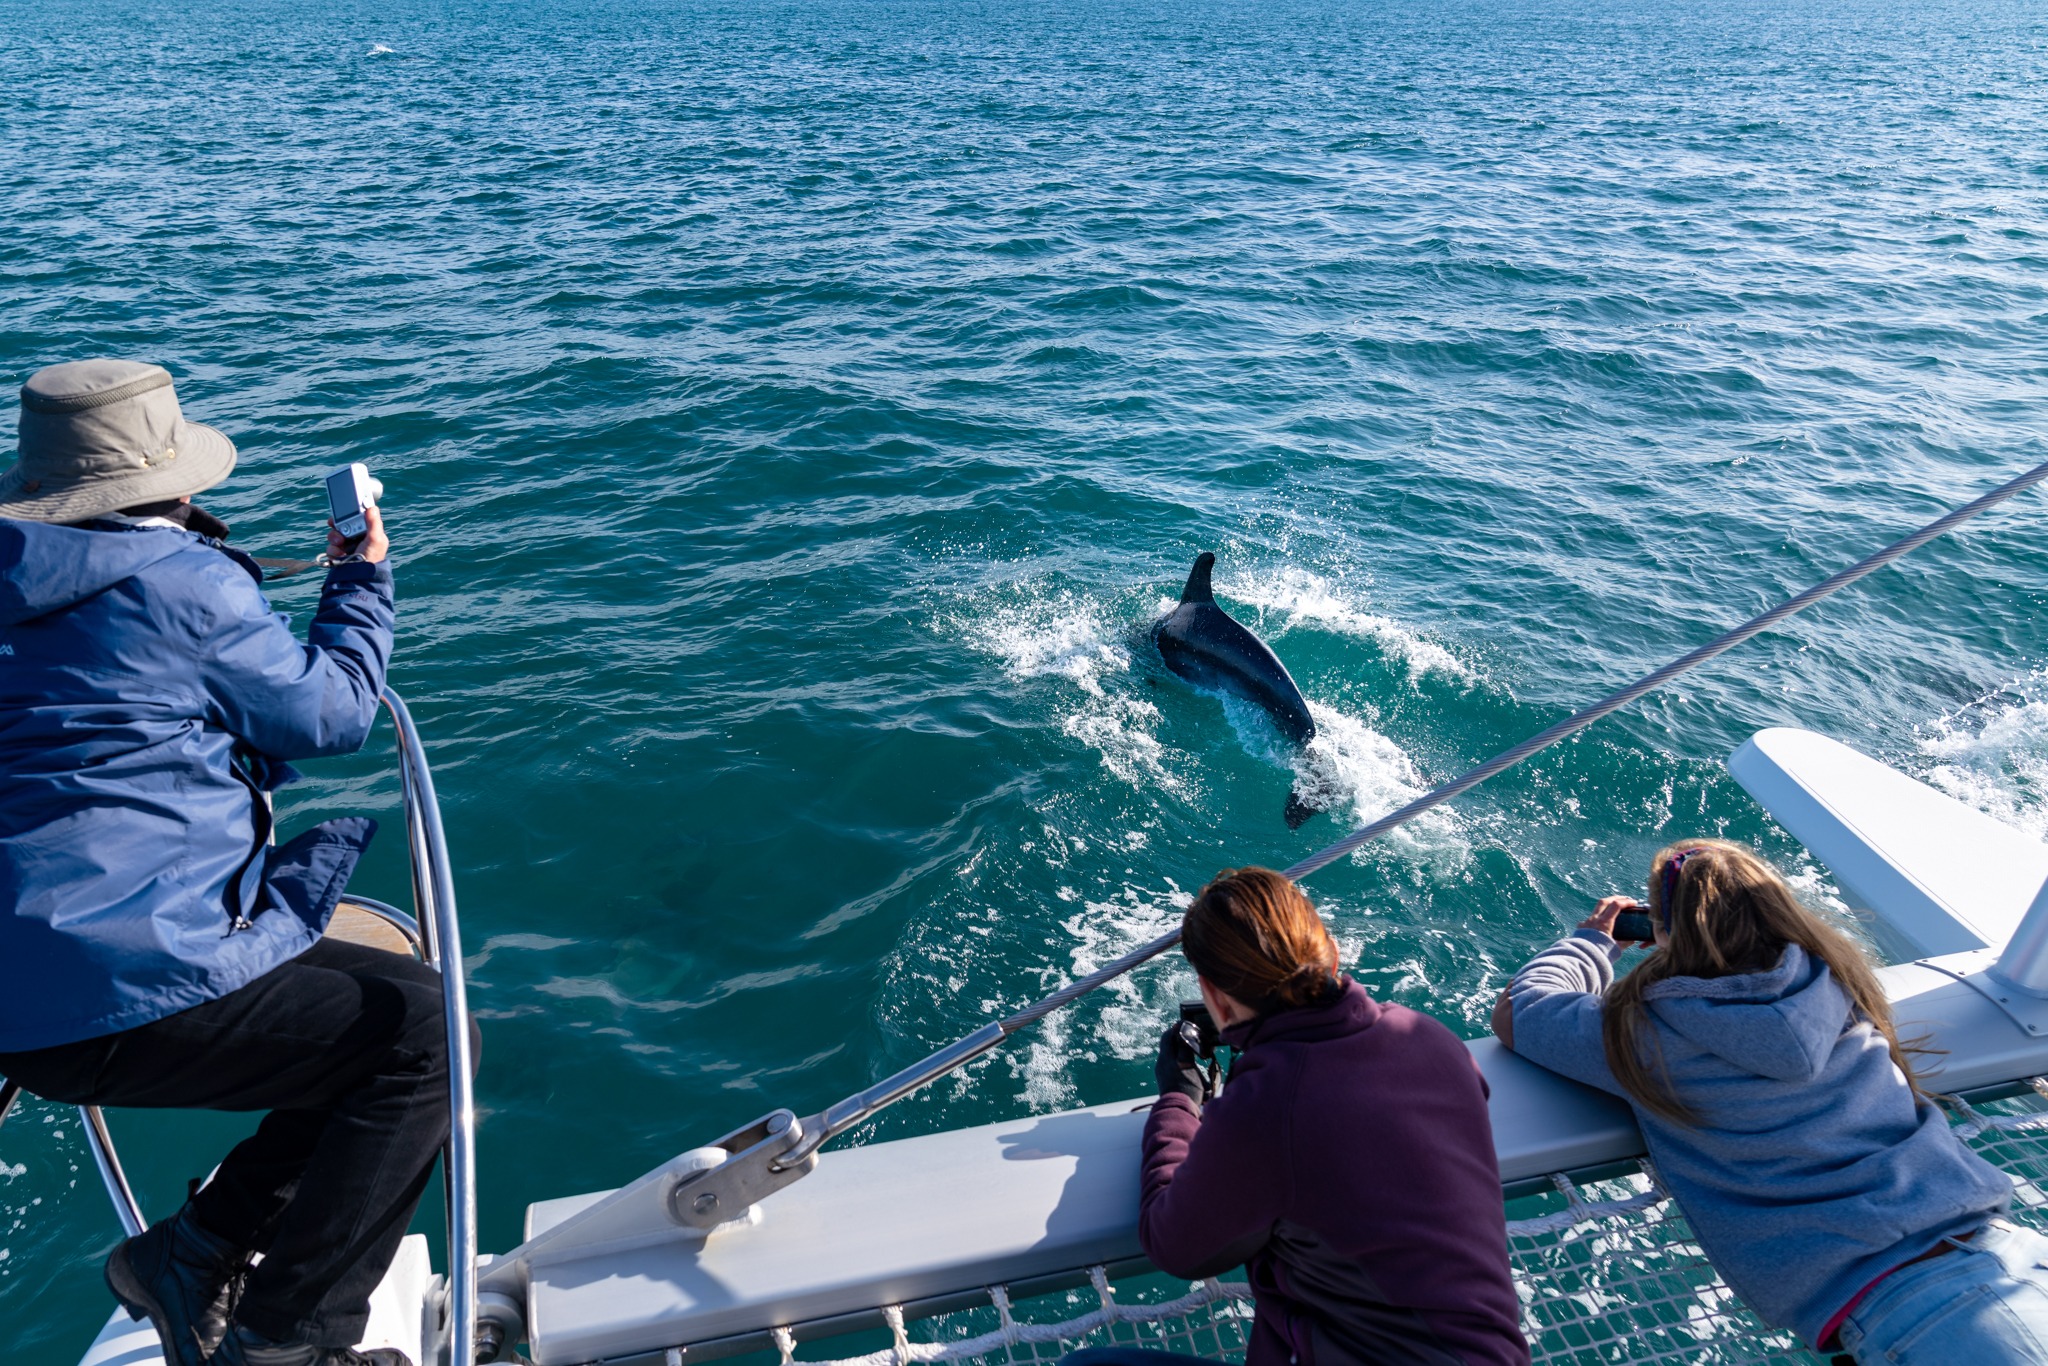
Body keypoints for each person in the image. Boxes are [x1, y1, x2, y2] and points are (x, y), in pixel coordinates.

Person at [0, 359, 461, 1366]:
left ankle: (198, 1249)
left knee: (381, 1003)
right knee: (421, 1036)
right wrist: (360, 579)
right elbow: (333, 712)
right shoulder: (179, 580)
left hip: (21, 1002)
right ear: (178, 481)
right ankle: (288, 1342)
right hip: (113, 988)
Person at [1493, 838, 2047, 1364]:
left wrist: (1591, 942)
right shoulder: (1838, 984)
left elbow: (1519, 1010)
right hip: (2009, 1251)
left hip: (1924, 1314)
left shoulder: (1648, 1038)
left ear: (1664, 933)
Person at [1068, 867, 1529, 1366]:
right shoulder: (1429, 1037)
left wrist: (1179, 1099)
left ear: (1215, 996)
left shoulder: (1269, 1106)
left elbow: (1176, 1246)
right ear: (1331, 951)